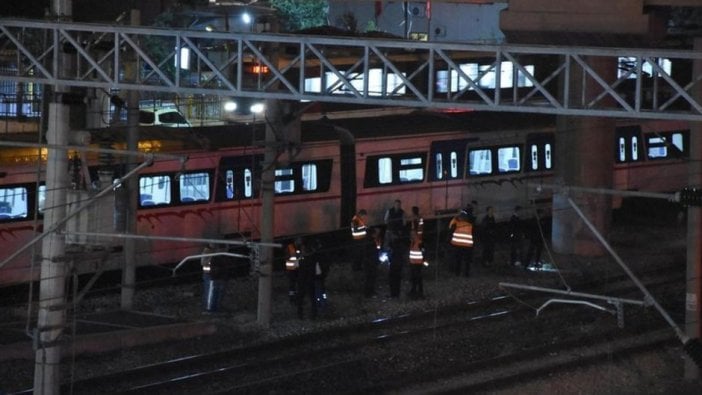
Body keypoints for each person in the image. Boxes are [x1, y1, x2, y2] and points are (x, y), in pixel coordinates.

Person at [448, 206, 474, 277]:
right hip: (467, 246)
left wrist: (455, 218)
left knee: (458, 260)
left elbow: (450, 227)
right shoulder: (470, 225)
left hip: (457, 245)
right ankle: (466, 274)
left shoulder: (456, 224)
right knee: (467, 261)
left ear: (460, 218)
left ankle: (457, 273)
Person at [201, 243, 228, 313]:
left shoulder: (220, 251)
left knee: (217, 292)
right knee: (210, 293)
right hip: (210, 274)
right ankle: (209, 309)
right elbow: (203, 262)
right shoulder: (207, 251)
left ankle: (216, 307)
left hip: (218, 274)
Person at [296, 238, 318, 319]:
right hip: (304, 275)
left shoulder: (309, 254)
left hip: (306, 275)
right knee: (305, 294)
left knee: (309, 294)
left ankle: (311, 314)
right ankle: (302, 314)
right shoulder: (308, 254)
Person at [364, 227, 382, 298]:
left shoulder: (376, 239)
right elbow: (370, 252)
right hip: (370, 262)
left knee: (372, 277)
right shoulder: (369, 241)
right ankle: (368, 293)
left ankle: (371, 291)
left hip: (373, 261)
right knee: (369, 278)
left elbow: (378, 248)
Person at [285, 237, 304, 304]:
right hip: (291, 269)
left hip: (298, 268)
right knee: (292, 284)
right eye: (300, 240)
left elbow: (301, 257)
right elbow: (289, 256)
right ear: (296, 240)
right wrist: (297, 256)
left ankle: (298, 297)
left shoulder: (300, 247)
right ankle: (292, 298)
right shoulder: (290, 247)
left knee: (298, 283)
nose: (301, 241)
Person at [408, 229, 426, 299]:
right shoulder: (412, 242)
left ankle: (420, 292)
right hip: (412, 263)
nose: (412, 236)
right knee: (413, 278)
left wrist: (424, 261)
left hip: (418, 263)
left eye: (413, 234)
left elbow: (424, 252)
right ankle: (414, 290)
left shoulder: (420, 243)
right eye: (411, 234)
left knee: (418, 278)